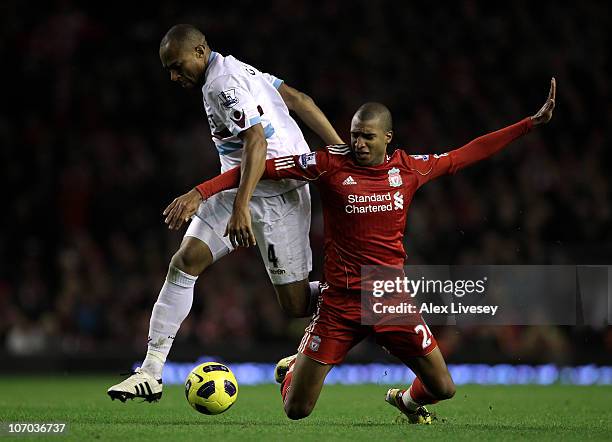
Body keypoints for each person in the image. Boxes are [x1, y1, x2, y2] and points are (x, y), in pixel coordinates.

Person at [171, 78, 556, 422]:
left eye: (367, 136)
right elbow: (259, 169)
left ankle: (405, 401)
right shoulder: (327, 163)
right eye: (354, 134)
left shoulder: (409, 169)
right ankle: (294, 371)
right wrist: (201, 191)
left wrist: (527, 125)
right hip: (338, 304)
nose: (357, 142)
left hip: (390, 300)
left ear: (388, 138)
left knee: (443, 388)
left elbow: (465, 154)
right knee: (296, 411)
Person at [107, 24, 343, 402]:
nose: (173, 75)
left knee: (296, 304)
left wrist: (240, 208)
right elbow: (300, 100)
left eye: (177, 64)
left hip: (279, 194)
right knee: (185, 262)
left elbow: (256, 142)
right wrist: (341, 151)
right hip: (243, 184)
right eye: (168, 68)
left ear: (200, 51)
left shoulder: (221, 83)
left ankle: (355, 297)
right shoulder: (240, 69)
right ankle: (150, 371)